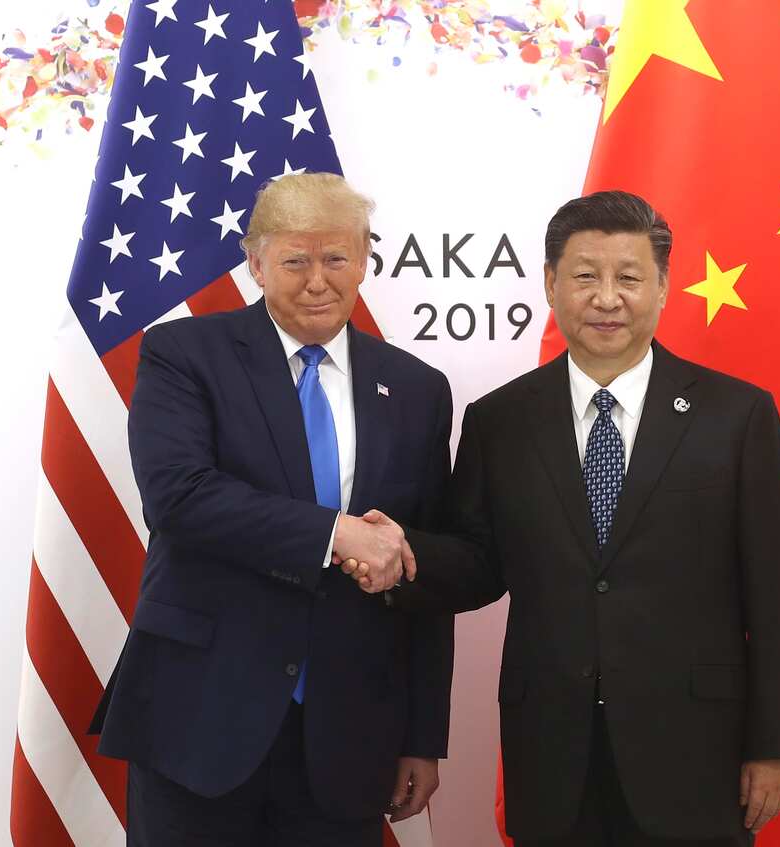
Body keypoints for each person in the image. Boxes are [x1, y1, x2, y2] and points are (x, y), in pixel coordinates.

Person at [345, 191, 780, 846]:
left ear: (663, 286)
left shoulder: (736, 416)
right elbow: (480, 562)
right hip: (553, 750)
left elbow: (778, 593)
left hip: (696, 751)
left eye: (628, 277)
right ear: (550, 282)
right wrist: (403, 553)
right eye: (586, 275)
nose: (607, 297)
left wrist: (777, 743)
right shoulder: (500, 420)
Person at [89, 173, 455, 846]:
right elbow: (178, 496)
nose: (319, 279)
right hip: (200, 720)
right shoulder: (184, 354)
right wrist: (335, 533)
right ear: (257, 263)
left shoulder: (417, 389)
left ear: (364, 259)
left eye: (337, 257)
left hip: (348, 737)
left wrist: (422, 735)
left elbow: (417, 569)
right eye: (296, 260)